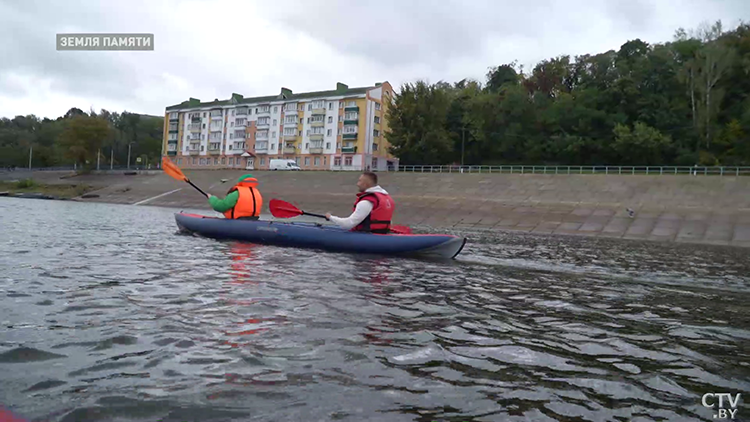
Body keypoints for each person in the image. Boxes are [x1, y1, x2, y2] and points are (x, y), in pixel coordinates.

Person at [325, 172, 394, 234]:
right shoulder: (386, 198)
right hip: (383, 233)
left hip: (368, 235)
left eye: (360, 181)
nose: (357, 184)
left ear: (366, 183)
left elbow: (349, 224)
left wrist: (331, 217)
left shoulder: (366, 201)